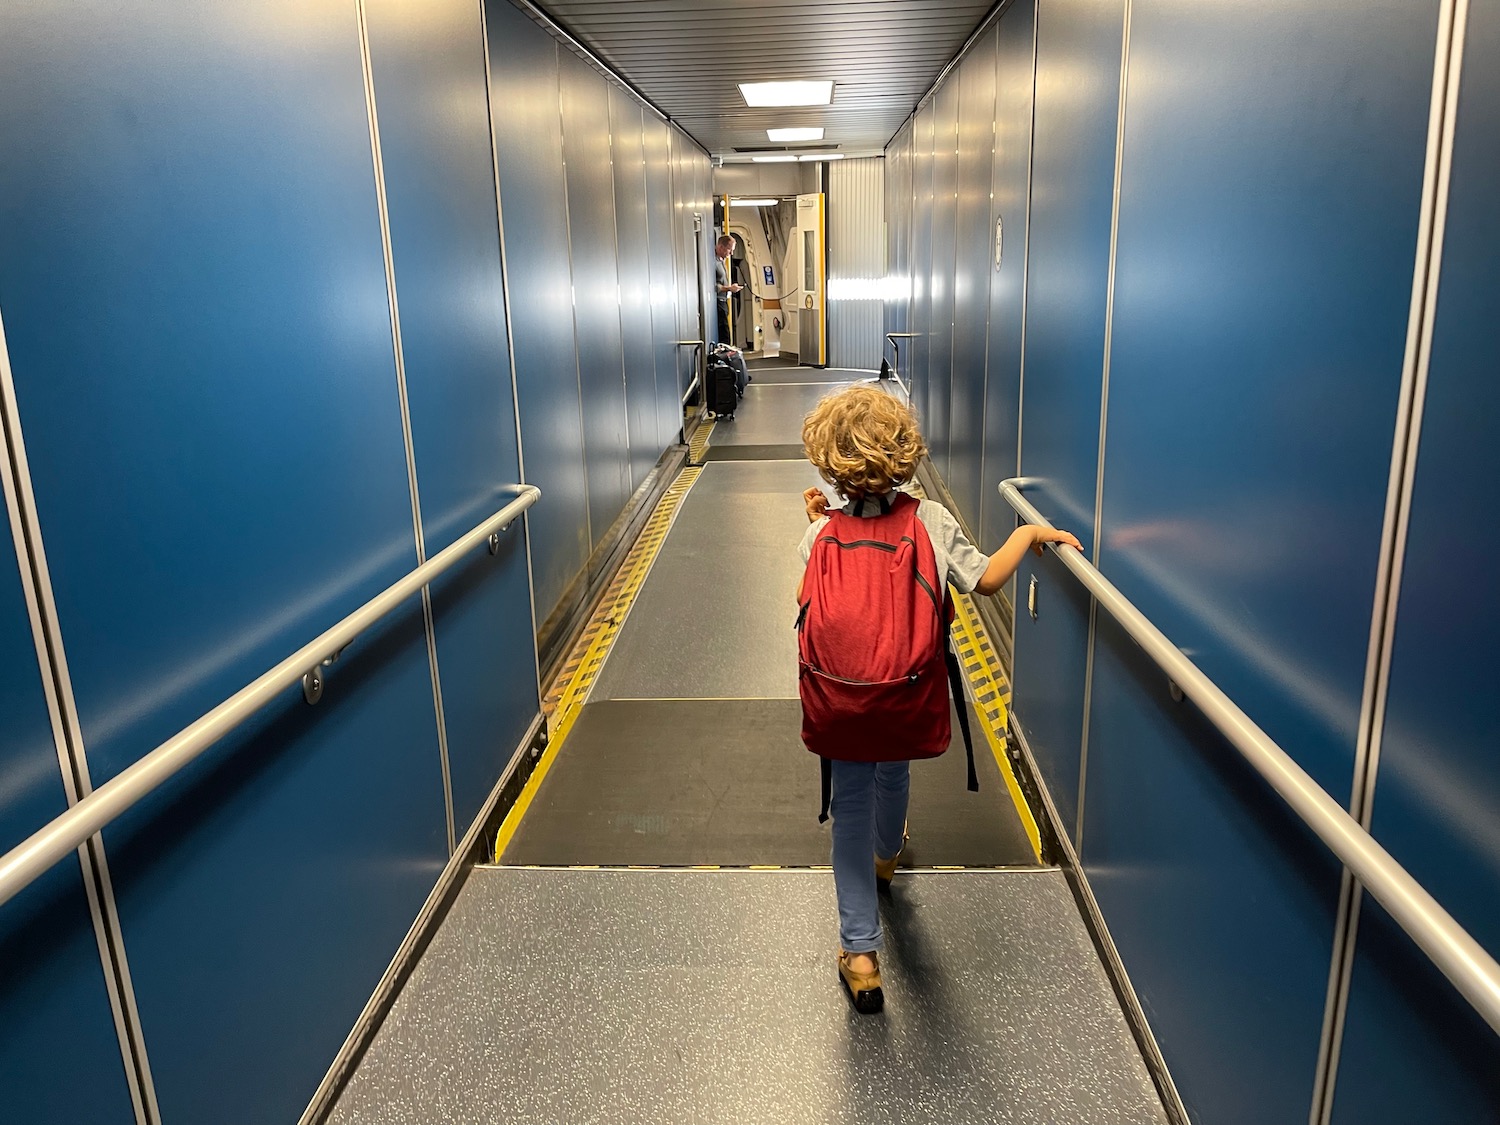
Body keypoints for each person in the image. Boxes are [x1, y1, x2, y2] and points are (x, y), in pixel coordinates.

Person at [796, 384, 1081, 1013]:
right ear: (903, 453)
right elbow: (985, 578)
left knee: (848, 804)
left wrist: (820, 526)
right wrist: (1031, 533)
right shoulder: (927, 520)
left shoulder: (822, 536)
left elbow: (803, 602)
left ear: (830, 463)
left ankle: (861, 951)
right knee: (892, 767)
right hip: (907, 693)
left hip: (840, 704)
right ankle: (888, 855)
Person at [714, 234, 741, 345]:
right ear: (721, 247)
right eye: (730, 250)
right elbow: (712, 286)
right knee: (724, 334)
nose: (731, 253)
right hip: (718, 302)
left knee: (726, 332)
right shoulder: (713, 263)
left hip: (724, 301)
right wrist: (729, 288)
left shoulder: (722, 261)